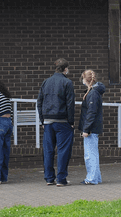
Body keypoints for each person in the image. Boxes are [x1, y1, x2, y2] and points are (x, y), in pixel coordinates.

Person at [37, 59, 75, 187]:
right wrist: (71, 121)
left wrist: (42, 120)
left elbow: (39, 102)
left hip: (48, 122)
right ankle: (61, 179)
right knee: (63, 151)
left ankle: (49, 178)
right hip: (62, 121)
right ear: (65, 69)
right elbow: (70, 104)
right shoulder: (67, 82)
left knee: (48, 151)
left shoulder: (46, 82)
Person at [80, 70, 105, 185]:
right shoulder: (94, 92)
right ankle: (96, 177)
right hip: (93, 128)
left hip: (91, 128)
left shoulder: (93, 93)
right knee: (92, 153)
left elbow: (91, 113)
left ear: (86, 79)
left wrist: (86, 129)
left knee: (90, 155)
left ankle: (92, 178)